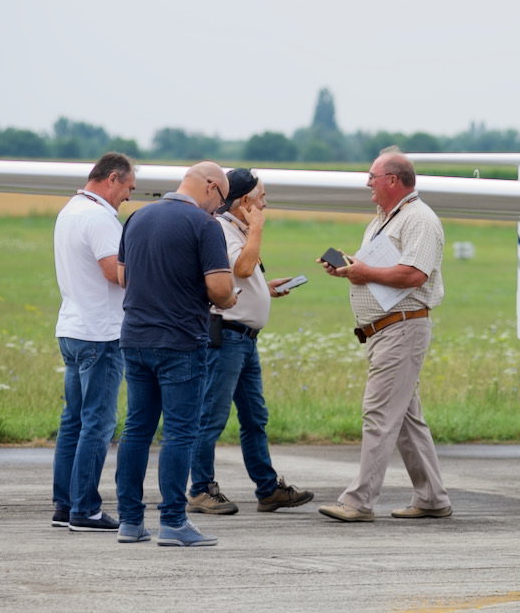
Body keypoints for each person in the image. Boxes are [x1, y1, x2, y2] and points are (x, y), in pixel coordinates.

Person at [317, 150, 451, 524]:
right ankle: (432, 497)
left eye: (372, 177)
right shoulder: (385, 219)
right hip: (387, 329)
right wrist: (349, 269)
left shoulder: (420, 219)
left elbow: (413, 275)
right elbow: (379, 270)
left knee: (378, 414)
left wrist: (365, 273)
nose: (368, 185)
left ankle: (358, 500)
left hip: (401, 328)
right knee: (406, 419)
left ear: (393, 180)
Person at [114, 161, 237, 547]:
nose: (219, 208)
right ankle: (173, 522)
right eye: (221, 199)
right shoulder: (204, 226)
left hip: (134, 337)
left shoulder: (136, 218)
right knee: (180, 432)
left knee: (136, 429)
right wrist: (230, 296)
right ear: (212, 187)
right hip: (180, 341)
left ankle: (130, 521)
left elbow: (122, 277)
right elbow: (219, 288)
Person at [187, 168, 314, 515]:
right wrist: (256, 229)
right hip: (228, 338)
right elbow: (241, 268)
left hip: (244, 340)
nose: (265, 204)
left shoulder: (234, 230)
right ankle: (200, 489)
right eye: (261, 198)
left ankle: (267, 488)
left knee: (255, 417)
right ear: (245, 202)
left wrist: (265, 289)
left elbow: (238, 279)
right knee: (211, 416)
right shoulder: (223, 230)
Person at [51, 152, 137, 532]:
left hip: (71, 327)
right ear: (113, 178)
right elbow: (113, 272)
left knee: (73, 421)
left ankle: (65, 505)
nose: (128, 197)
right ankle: (85, 509)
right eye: (129, 188)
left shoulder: (70, 210)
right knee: (98, 424)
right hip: (100, 333)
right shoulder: (100, 217)